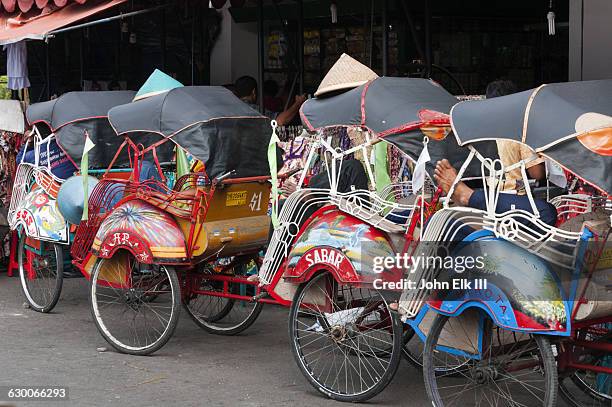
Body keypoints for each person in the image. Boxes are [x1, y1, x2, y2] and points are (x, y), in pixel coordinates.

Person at [234, 75, 306, 126]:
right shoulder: (254, 110)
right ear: (254, 92)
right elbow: (280, 121)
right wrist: (298, 103)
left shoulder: (229, 109)